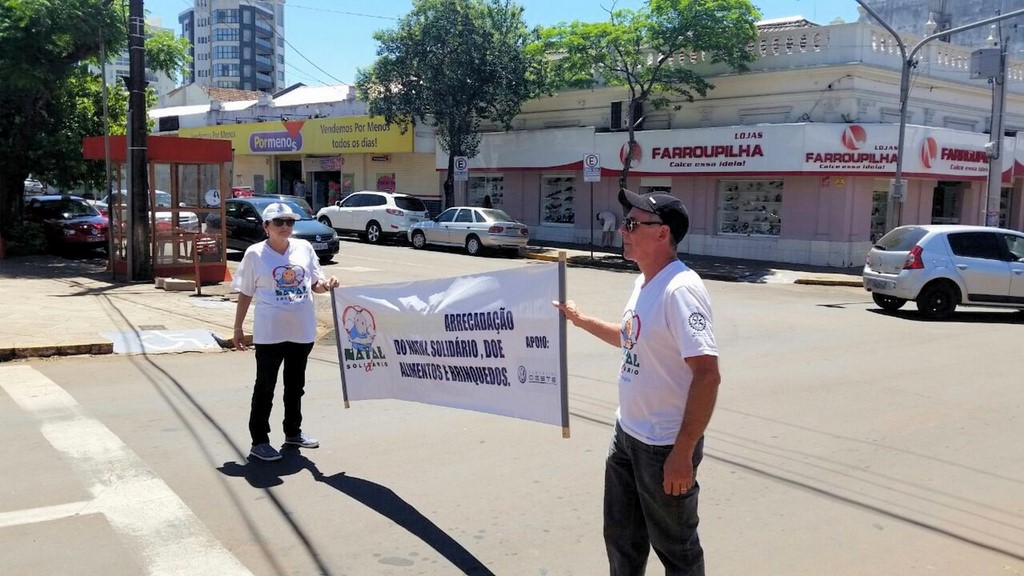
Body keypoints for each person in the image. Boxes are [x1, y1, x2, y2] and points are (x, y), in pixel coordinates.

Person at [554, 189, 720, 576]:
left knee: (677, 551)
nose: (622, 230)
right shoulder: (645, 282)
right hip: (627, 435)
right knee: (622, 540)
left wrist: (683, 452)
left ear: (662, 234)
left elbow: (707, 375)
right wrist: (581, 320)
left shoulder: (681, 290)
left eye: (632, 224)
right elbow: (630, 337)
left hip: (663, 445)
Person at [232, 202, 340, 462]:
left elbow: (315, 283)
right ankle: (259, 440)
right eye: (278, 222)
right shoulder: (255, 254)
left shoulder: (304, 248)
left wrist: (328, 284)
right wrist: (237, 327)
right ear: (266, 226)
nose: (285, 227)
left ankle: (293, 431)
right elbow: (246, 292)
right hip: (270, 332)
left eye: (289, 222)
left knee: (295, 385)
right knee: (265, 386)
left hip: (302, 330)